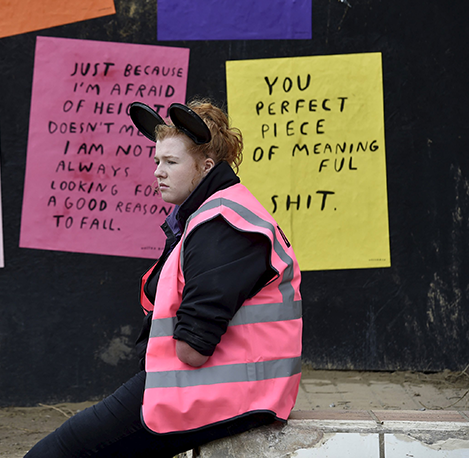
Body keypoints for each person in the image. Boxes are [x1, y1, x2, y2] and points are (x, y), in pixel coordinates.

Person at [24, 99, 302, 458]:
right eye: (157, 161)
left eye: (171, 162)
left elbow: (193, 349)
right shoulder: (211, 215)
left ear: (206, 166)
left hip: (224, 395)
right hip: (217, 388)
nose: (158, 172)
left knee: (57, 453)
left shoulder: (225, 225)